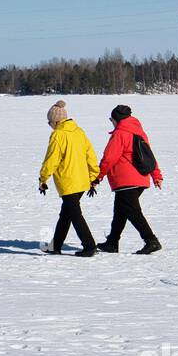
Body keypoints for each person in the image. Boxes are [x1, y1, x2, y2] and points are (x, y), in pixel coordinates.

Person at [95, 104, 163, 255]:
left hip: (125, 180)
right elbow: (149, 156)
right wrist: (156, 176)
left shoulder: (120, 134)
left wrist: (98, 176)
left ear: (116, 119)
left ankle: (151, 240)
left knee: (133, 212)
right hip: (141, 179)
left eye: (111, 119)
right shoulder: (140, 133)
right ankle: (112, 242)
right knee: (120, 211)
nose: (111, 122)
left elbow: (109, 158)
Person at [37, 100, 101, 257]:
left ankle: (89, 246)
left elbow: (52, 159)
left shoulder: (58, 135)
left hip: (68, 182)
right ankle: (56, 246)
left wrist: (43, 178)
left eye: (50, 122)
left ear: (56, 121)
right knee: (66, 214)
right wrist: (93, 177)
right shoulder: (79, 132)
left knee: (74, 214)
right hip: (82, 181)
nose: (49, 125)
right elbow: (90, 156)